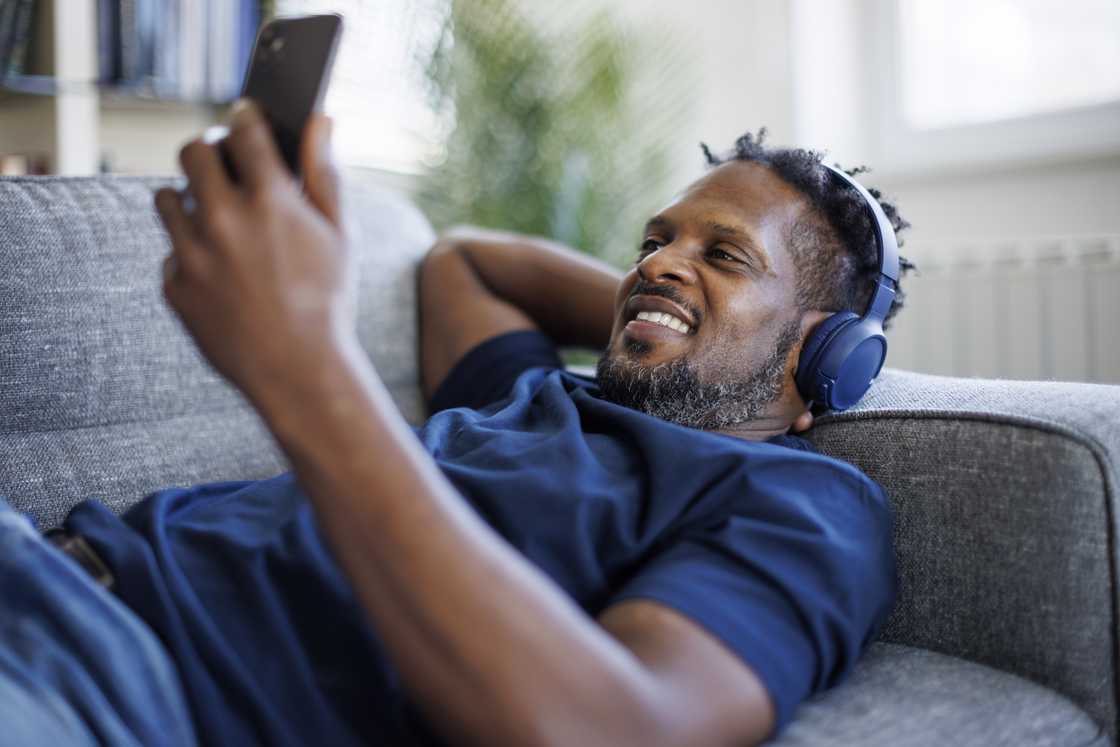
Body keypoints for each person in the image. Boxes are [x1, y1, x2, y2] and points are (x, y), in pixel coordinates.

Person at [0, 100, 913, 746]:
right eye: (654, 239)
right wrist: (668, 304)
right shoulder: (544, 394)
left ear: (828, 351)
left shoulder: (806, 505)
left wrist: (304, 367)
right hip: (37, 562)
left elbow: (616, 726)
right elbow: (465, 262)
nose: (660, 261)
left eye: (723, 253)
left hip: (119, 684)